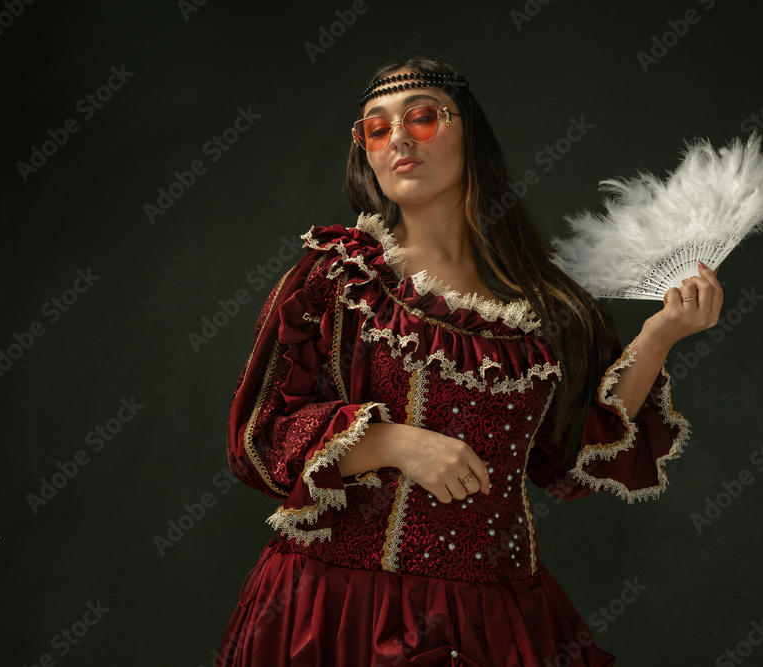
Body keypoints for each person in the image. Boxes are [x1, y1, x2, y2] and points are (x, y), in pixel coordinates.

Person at [215, 55, 723, 667]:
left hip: (498, 618)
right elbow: (259, 436)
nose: (399, 136)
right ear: (366, 154)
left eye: (422, 117)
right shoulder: (337, 279)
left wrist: (662, 335)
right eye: (376, 128)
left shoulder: (544, 305)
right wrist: (395, 442)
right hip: (342, 610)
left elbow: (567, 458)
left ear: (469, 134)